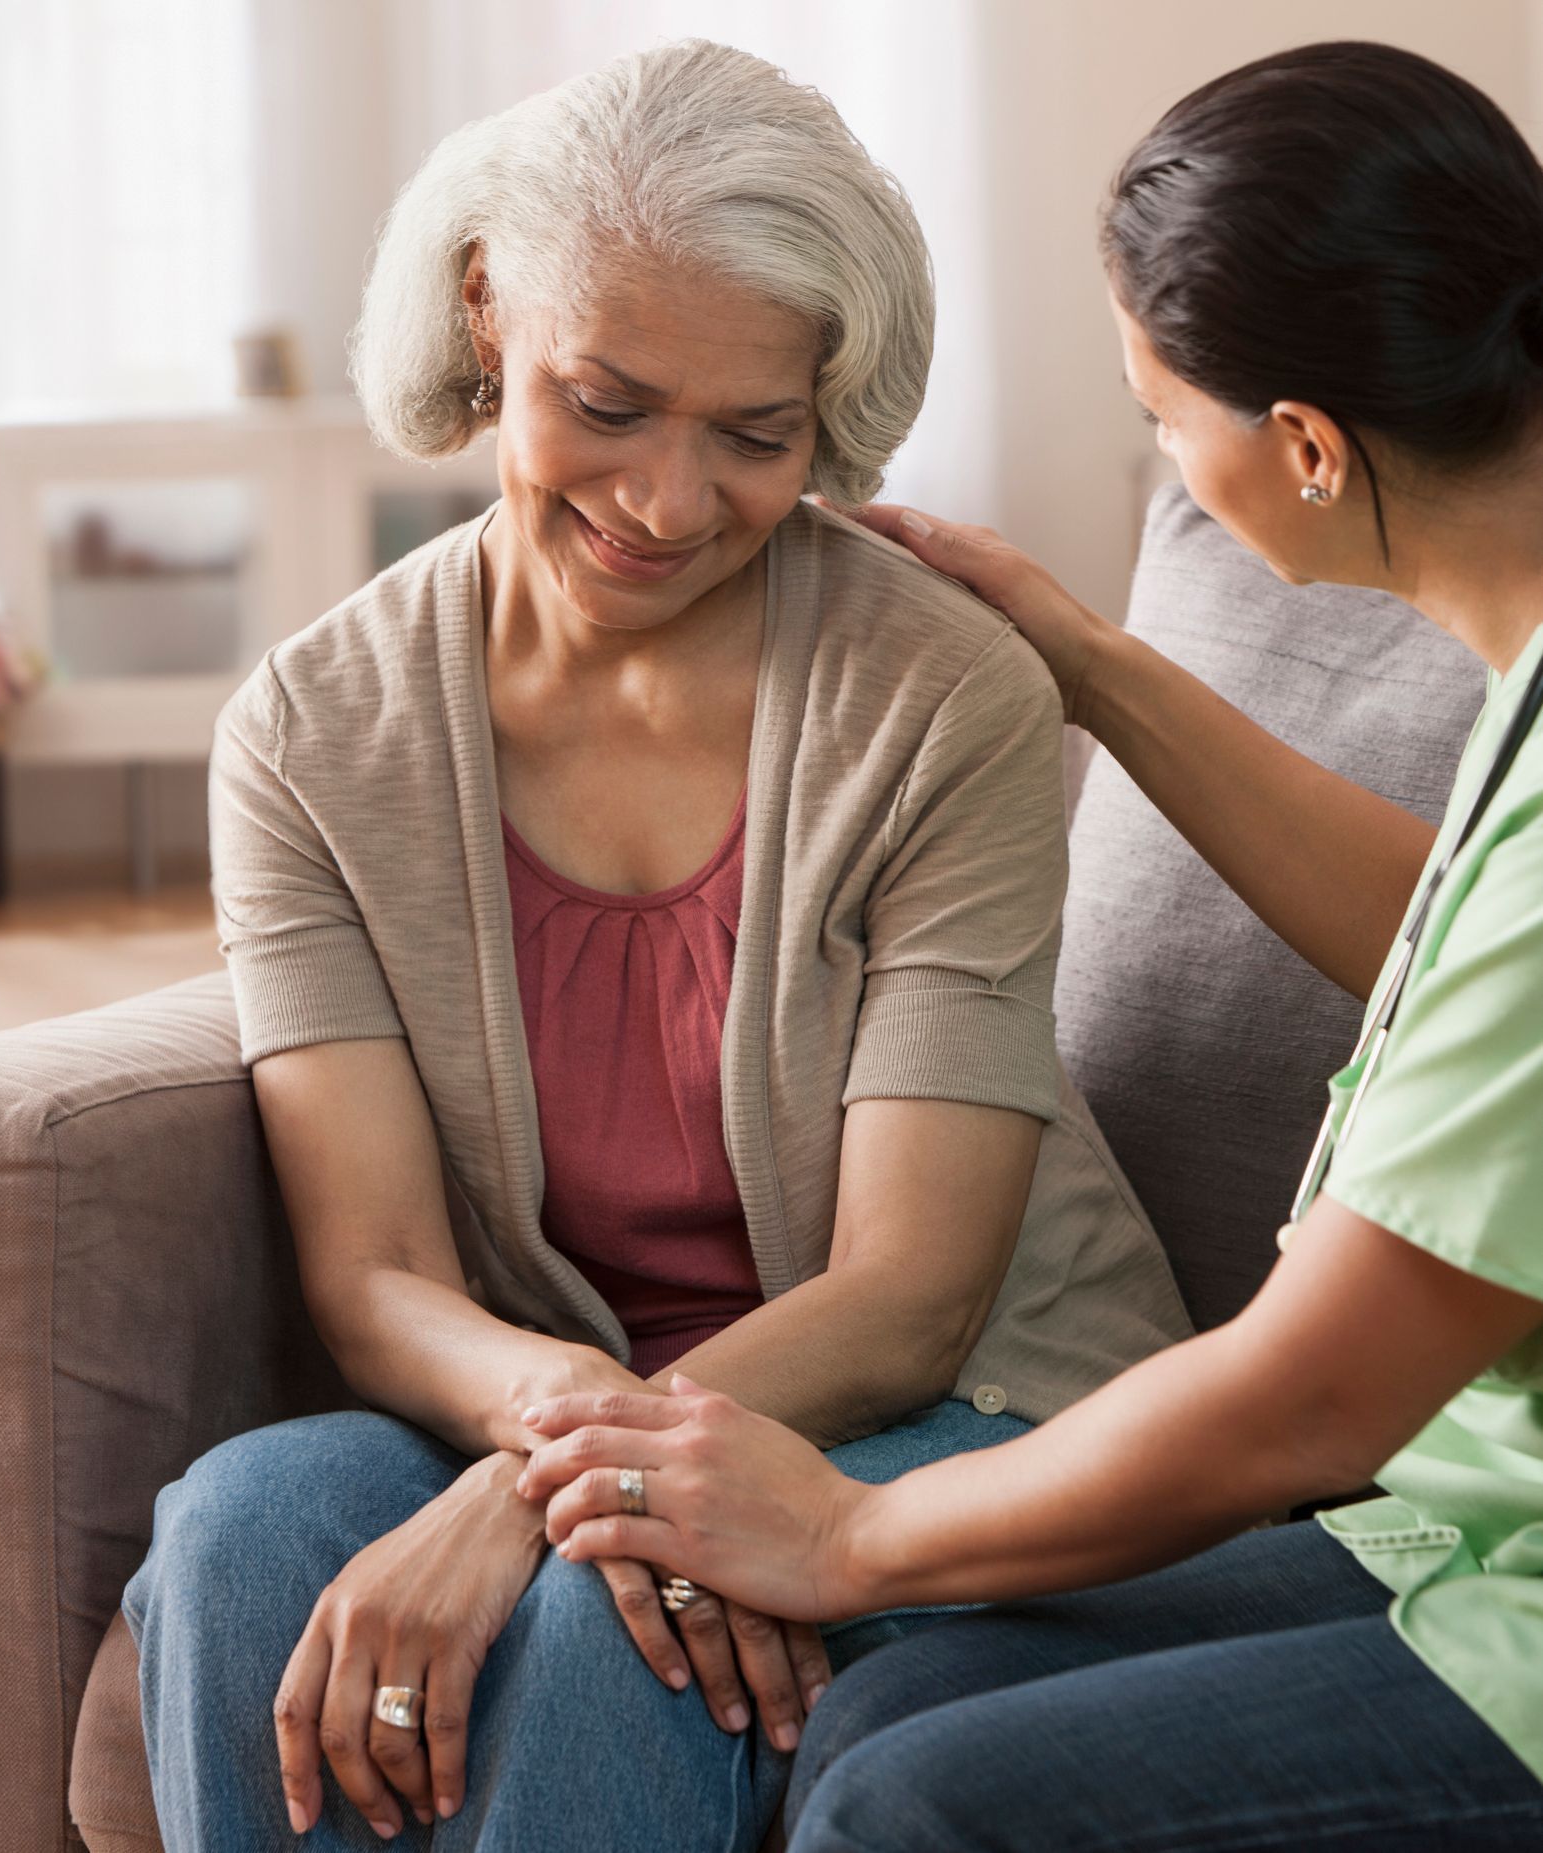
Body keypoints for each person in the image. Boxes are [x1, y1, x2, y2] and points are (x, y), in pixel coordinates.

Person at [119, 38, 1191, 1853]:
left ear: (826, 409)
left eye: (753, 435)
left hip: (956, 1404)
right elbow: (375, 1269)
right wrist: (575, 1450)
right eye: (607, 403)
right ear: (487, 315)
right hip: (564, 1395)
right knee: (237, 1531)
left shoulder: (940, 697)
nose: (670, 500)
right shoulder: (311, 734)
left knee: (619, 1623)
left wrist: (541, 1499)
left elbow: (913, 1288)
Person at [517, 41, 1543, 1852]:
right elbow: (1454, 951)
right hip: (1461, 1518)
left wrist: (840, 1530)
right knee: (910, 1689)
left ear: (1302, 444)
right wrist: (1092, 667)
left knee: (918, 1798)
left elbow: (1306, 1396)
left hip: (1503, 1590)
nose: (1160, 456)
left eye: (1160, 417)